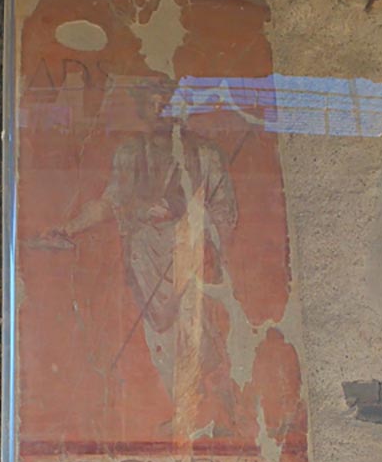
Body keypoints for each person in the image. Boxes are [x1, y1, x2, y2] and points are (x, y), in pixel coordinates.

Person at [51, 75, 241, 438]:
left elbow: (225, 213)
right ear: (141, 108)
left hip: (191, 257)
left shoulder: (206, 154)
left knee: (200, 334)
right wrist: (71, 228)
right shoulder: (131, 153)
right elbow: (110, 201)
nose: (158, 112)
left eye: (165, 104)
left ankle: (220, 412)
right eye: (150, 104)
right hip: (145, 262)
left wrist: (185, 214)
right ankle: (187, 414)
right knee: (162, 338)